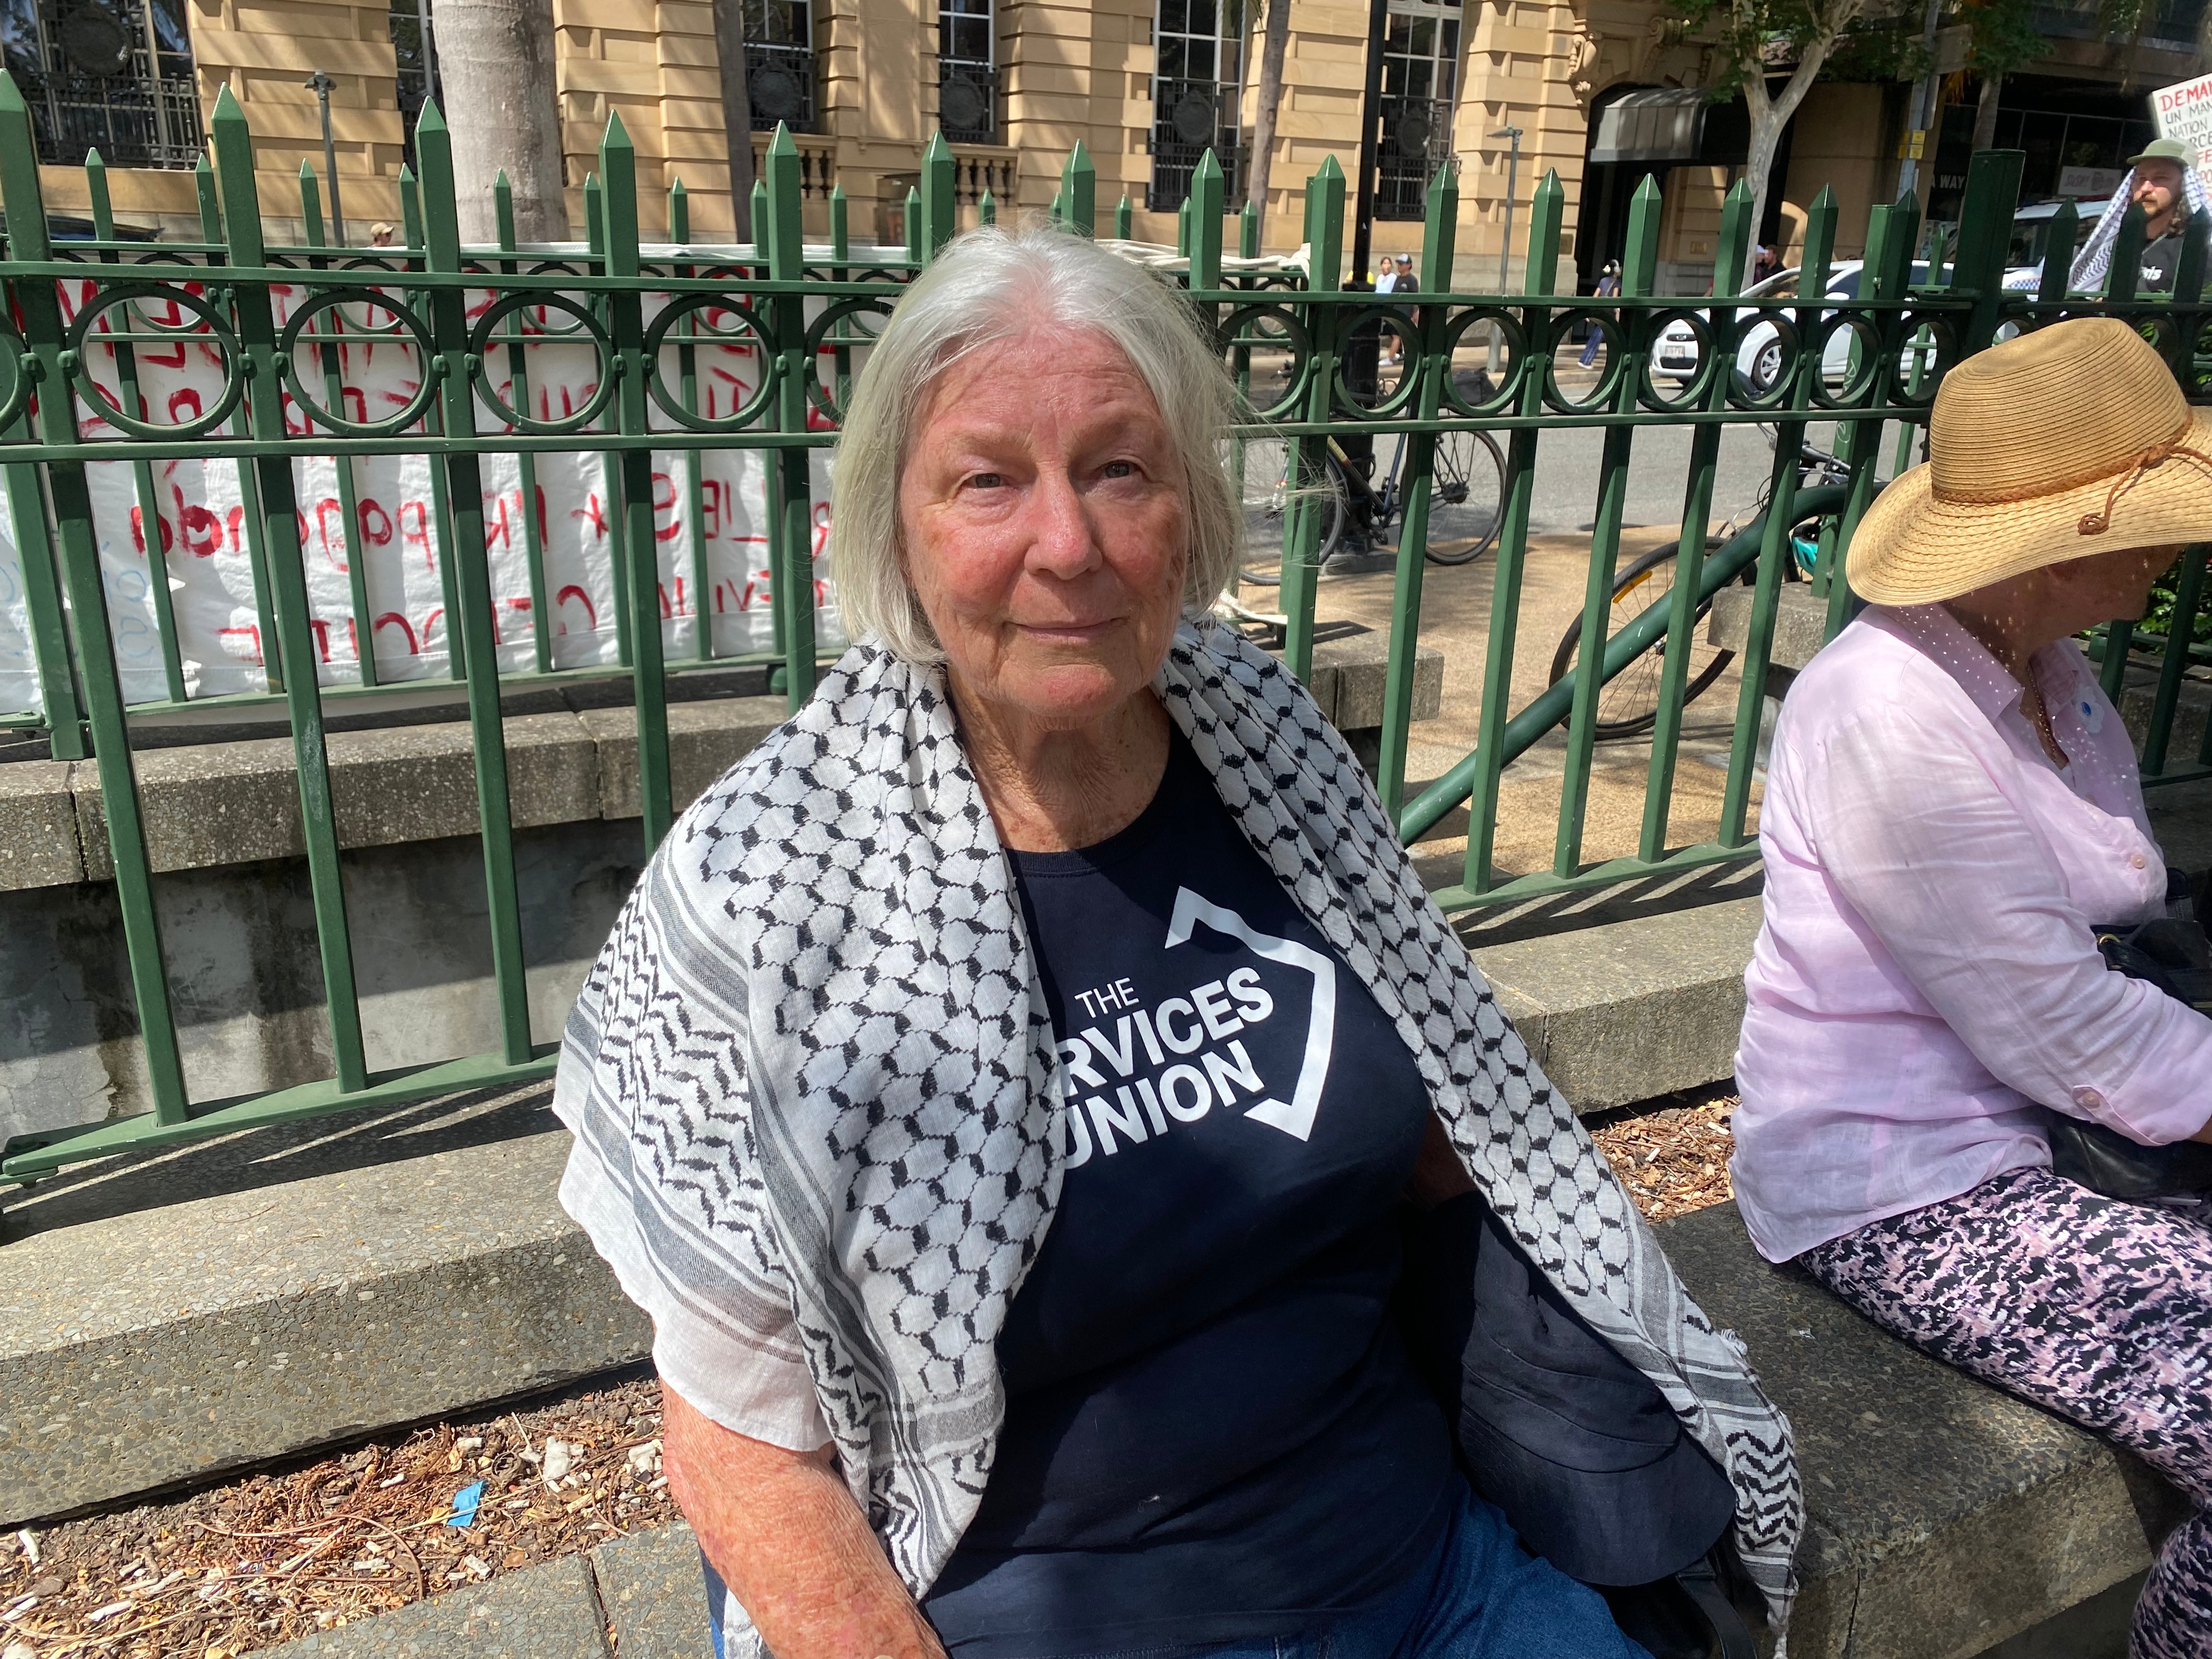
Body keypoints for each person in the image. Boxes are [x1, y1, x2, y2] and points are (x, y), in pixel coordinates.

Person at [553, 222, 1801, 1659]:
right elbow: (743, 1454)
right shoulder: (769, 889)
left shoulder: (1267, 746)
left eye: (1118, 469)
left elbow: (1442, 1125)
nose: (1068, 544)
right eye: (988, 480)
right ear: (896, 529)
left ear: (1193, 515)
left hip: (1423, 1577)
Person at [1729, 315, 2212, 1659]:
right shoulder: (1889, 710)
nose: (2188, 536)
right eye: (2164, 507)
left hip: (2063, 1136)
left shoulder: (2049, 672)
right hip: (1913, 1184)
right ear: (2058, 544)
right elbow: (2067, 1031)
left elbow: (2113, 932)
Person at [2069, 137, 2208, 295]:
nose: (2146, 188)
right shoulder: (2113, 245)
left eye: (2160, 178)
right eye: (2141, 178)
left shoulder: (2196, 250)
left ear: (2185, 186)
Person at [1579, 259, 1622, 370]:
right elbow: (1615, 299)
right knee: (1600, 336)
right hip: (1609, 314)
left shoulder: (1603, 280)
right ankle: (1586, 360)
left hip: (1600, 311)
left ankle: (1586, 359)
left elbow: (1595, 296)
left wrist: (1590, 311)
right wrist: (1617, 314)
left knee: (1597, 334)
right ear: (1617, 270)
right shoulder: (1616, 283)